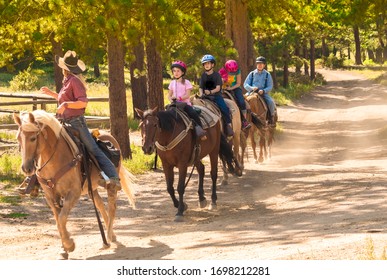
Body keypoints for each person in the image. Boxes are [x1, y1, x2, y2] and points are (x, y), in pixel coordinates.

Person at [40, 50, 121, 190]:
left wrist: (65, 105)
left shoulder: (75, 82)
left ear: (65, 67)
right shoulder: (67, 81)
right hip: (64, 121)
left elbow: (82, 102)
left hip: (76, 123)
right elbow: (64, 99)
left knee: (93, 149)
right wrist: (52, 94)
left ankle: (113, 177)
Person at [168, 60, 207, 140]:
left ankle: (200, 131)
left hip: (185, 104)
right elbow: (169, 95)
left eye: (178, 71)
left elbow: (187, 95)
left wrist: (179, 98)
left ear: (182, 72)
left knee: (193, 114)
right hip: (174, 104)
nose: (176, 73)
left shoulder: (186, 82)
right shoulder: (172, 83)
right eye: (174, 71)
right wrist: (171, 100)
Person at [199, 54, 234, 137]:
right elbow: (200, 87)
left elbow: (218, 88)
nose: (207, 65)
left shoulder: (217, 75)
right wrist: (201, 94)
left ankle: (228, 125)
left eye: (208, 63)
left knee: (224, 108)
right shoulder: (203, 76)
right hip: (205, 97)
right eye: (205, 64)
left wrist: (210, 92)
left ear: (212, 65)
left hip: (216, 96)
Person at [243, 56, 276, 126]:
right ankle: (243, 119)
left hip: (263, 93)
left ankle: (271, 118)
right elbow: (245, 84)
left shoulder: (267, 74)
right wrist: (252, 88)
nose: (259, 65)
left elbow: (270, 86)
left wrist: (263, 90)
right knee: (242, 101)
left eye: (261, 64)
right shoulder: (251, 74)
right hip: (251, 92)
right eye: (258, 63)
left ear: (264, 65)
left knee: (271, 102)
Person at [219, 59, 251, 130]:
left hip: (235, 88)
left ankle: (244, 121)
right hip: (223, 88)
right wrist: (222, 81)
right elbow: (218, 81)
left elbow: (238, 83)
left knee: (241, 102)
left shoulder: (238, 71)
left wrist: (231, 88)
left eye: (234, 72)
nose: (232, 73)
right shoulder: (221, 71)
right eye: (230, 72)